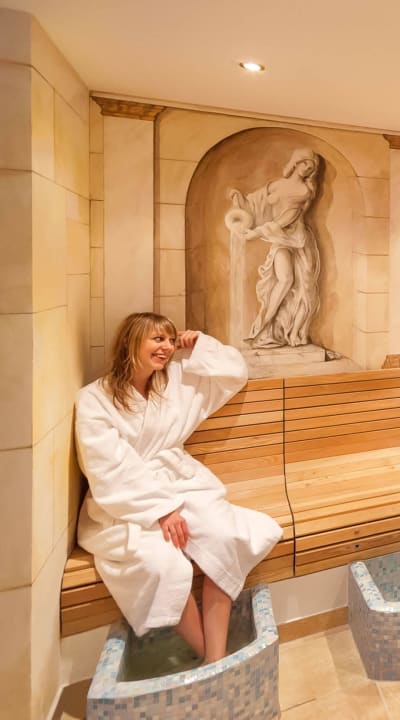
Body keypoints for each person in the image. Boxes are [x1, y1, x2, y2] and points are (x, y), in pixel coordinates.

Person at [75, 312, 282, 662]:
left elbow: (235, 371)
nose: (168, 347)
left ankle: (214, 657)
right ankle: (212, 659)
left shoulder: (174, 382)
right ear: (131, 341)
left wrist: (200, 344)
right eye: (158, 339)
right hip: (127, 500)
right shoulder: (94, 399)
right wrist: (161, 509)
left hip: (181, 482)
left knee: (224, 537)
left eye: (171, 340)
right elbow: (108, 466)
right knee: (165, 565)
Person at [228, 147, 322, 349]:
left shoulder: (304, 191)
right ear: (296, 162)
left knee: (301, 288)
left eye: (311, 167)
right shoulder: (277, 185)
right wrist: (239, 201)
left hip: (298, 241)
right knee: (284, 280)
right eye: (305, 163)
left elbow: (288, 217)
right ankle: (262, 330)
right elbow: (256, 204)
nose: (307, 169)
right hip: (280, 240)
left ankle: (288, 331)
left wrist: (258, 232)